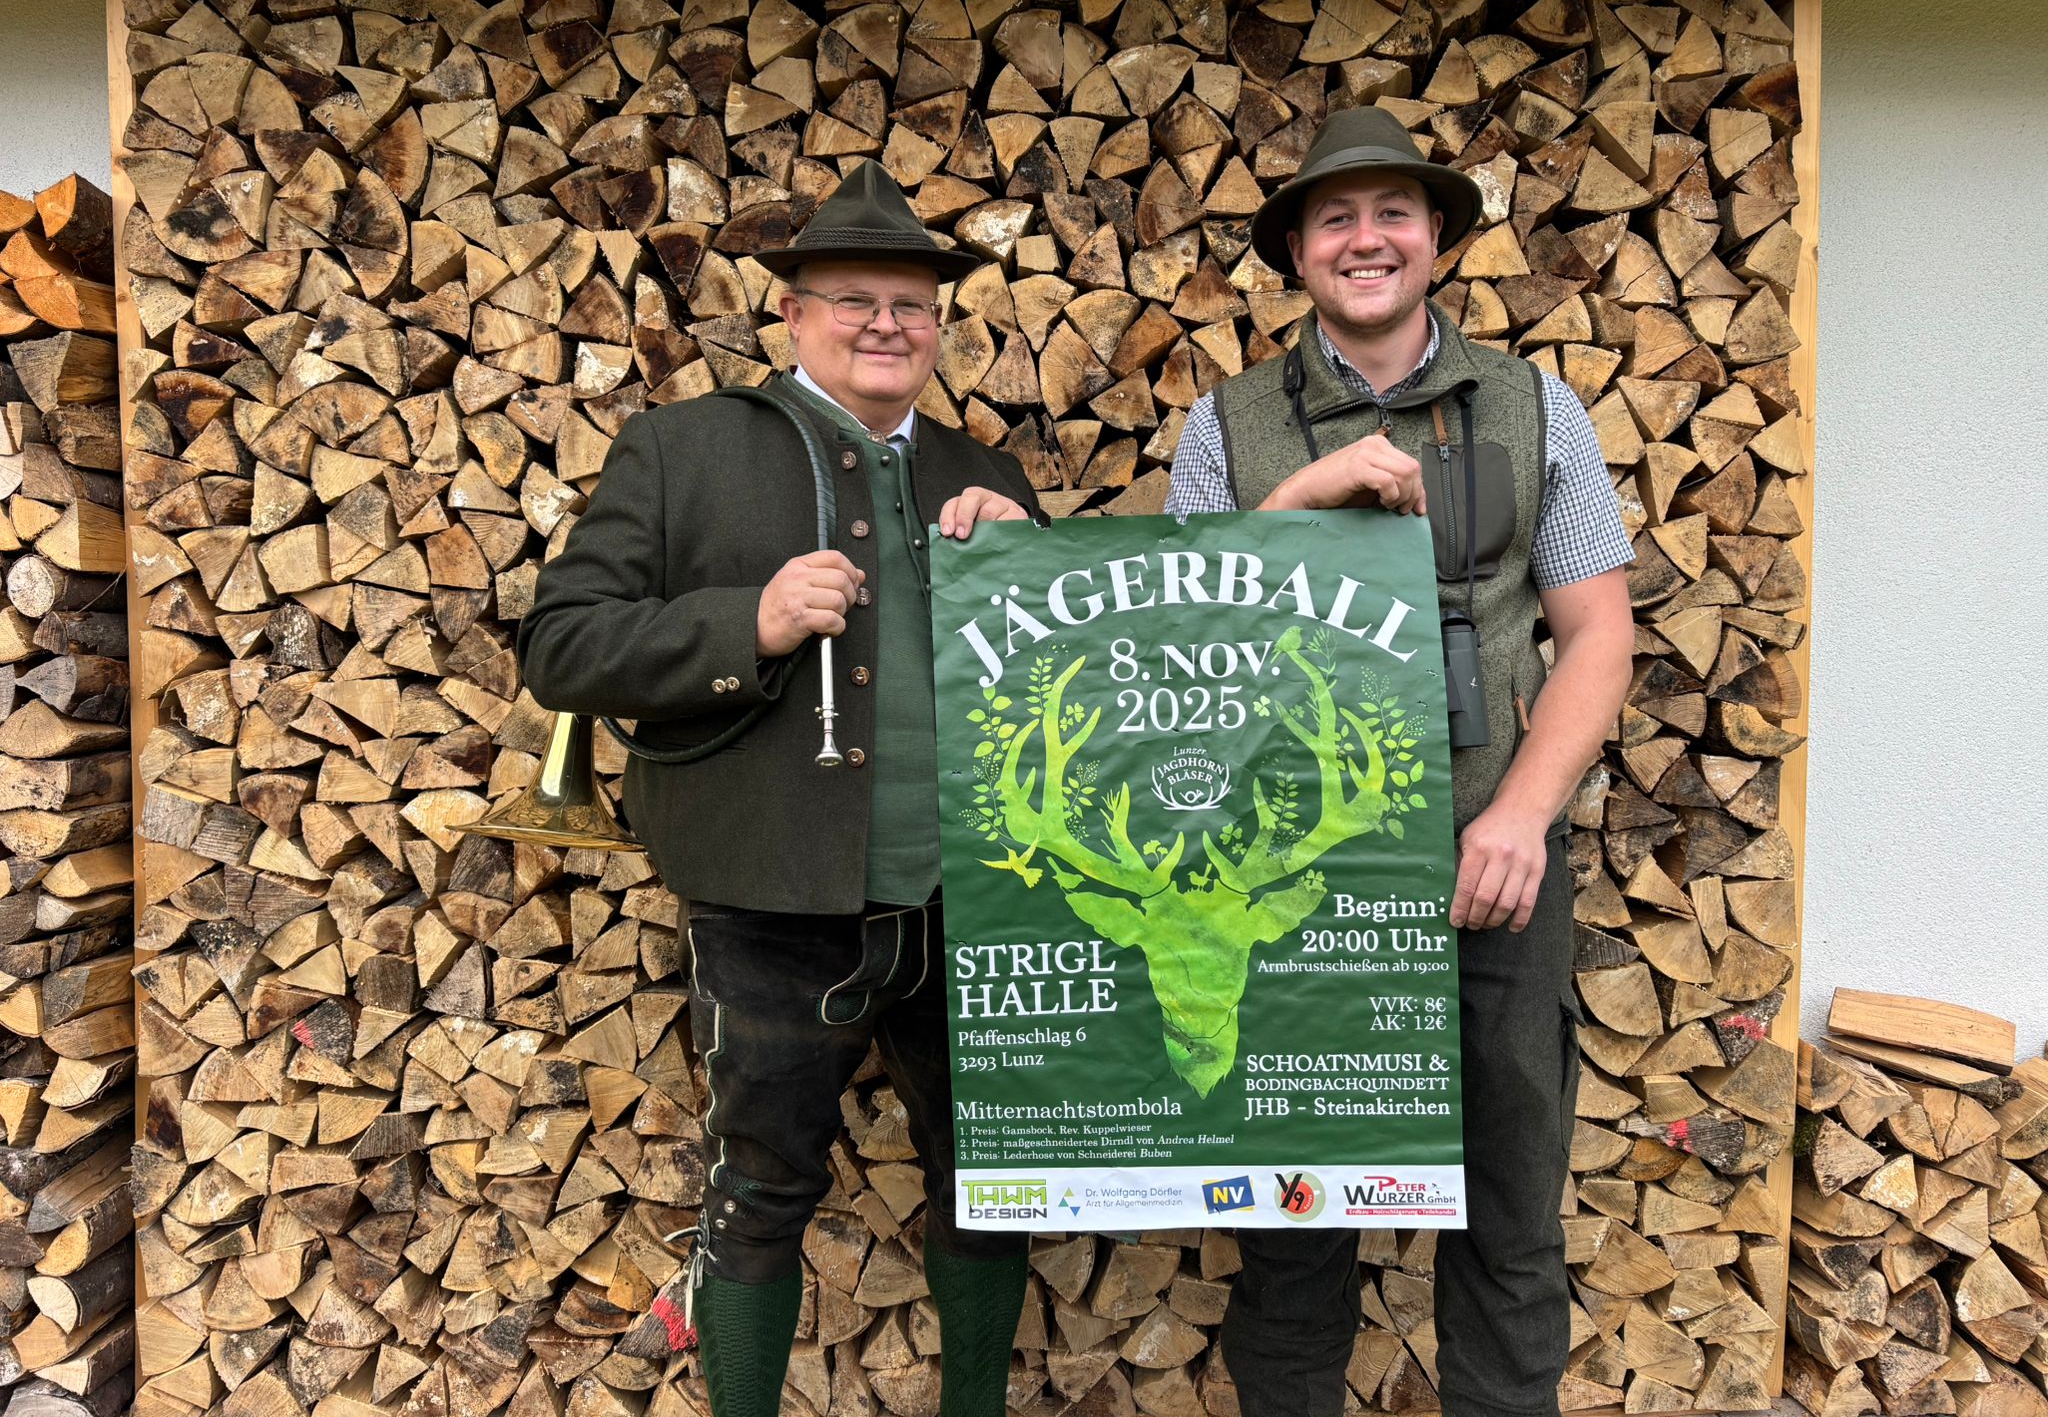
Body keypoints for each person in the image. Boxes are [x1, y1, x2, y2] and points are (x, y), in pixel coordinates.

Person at [519, 162, 1040, 1417]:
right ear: (793, 316)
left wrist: (1031, 571)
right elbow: (560, 647)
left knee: (996, 1179)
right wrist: (741, 621)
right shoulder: (681, 448)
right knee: (757, 1193)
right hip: (766, 902)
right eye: (851, 298)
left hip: (976, 901)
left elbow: (1068, 697)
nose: (885, 324)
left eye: (912, 304)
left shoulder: (987, 471)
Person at [1166, 105, 1636, 1417]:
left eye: (1391, 214)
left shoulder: (1539, 405)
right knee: (1296, 1228)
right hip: (1296, 891)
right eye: (1335, 218)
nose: (1364, 239)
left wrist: (1522, 821)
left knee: (1508, 1222)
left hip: (1492, 871)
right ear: (1300, 252)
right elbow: (1182, 636)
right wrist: (1298, 502)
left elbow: (1599, 636)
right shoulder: (1228, 424)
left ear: (1436, 239)